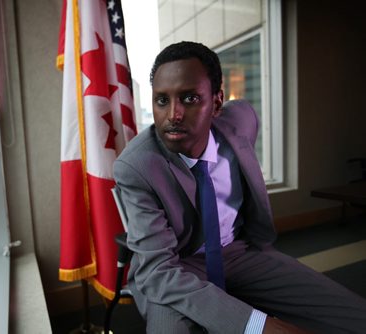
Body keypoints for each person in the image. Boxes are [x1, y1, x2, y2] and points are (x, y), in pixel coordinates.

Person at [113, 41, 366, 333]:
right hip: (177, 268)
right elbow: (158, 270)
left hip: (239, 252)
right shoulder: (136, 167)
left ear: (217, 103)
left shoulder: (242, 120)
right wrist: (259, 325)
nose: (173, 114)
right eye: (162, 100)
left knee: (354, 316)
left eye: (190, 98)